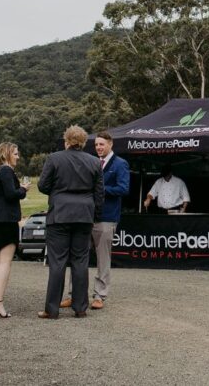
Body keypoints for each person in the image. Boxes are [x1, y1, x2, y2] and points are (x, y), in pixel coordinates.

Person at [37, 125, 104, 320]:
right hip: (84, 215)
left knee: (57, 262)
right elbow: (100, 194)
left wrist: (57, 192)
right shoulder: (94, 162)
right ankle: (80, 307)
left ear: (66, 140)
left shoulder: (54, 158)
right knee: (80, 261)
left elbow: (42, 185)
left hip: (60, 214)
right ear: (84, 142)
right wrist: (95, 216)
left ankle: (52, 309)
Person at [61, 131, 129, 311]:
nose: (98, 147)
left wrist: (100, 190)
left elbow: (123, 188)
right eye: (97, 144)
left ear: (110, 144)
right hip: (85, 216)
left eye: (102, 144)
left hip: (106, 218)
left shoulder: (120, 164)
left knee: (103, 259)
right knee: (78, 256)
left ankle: (99, 295)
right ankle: (72, 294)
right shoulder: (90, 162)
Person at [0, 142, 28, 319]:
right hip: (6, 219)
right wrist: (23, 189)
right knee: (5, 262)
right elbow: (11, 194)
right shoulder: (7, 171)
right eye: (15, 154)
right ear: (8, 154)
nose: (18, 157)